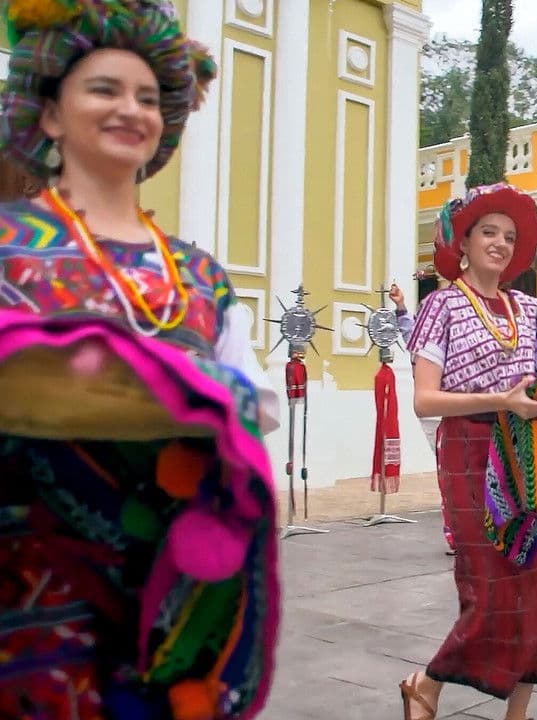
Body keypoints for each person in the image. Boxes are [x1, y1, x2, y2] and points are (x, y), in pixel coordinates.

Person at [0, 3, 281, 718]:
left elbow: (257, 401)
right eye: (104, 89)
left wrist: (204, 401)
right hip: (26, 577)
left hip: (172, 581)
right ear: (52, 114)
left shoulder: (200, 276)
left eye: (149, 98)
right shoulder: (7, 245)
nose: (131, 109)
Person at [398, 183, 537, 720]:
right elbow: (423, 400)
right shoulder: (440, 306)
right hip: (470, 447)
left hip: (535, 453)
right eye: (489, 232)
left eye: (510, 236)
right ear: (462, 242)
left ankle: (519, 713)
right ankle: (428, 682)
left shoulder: (533, 311)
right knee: (487, 589)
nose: (501, 244)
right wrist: (503, 401)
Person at [389, 281, 456, 555]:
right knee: (449, 476)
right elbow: (408, 332)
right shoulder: (425, 342)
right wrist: (401, 305)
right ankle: (455, 532)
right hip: (436, 417)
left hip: (458, 413)